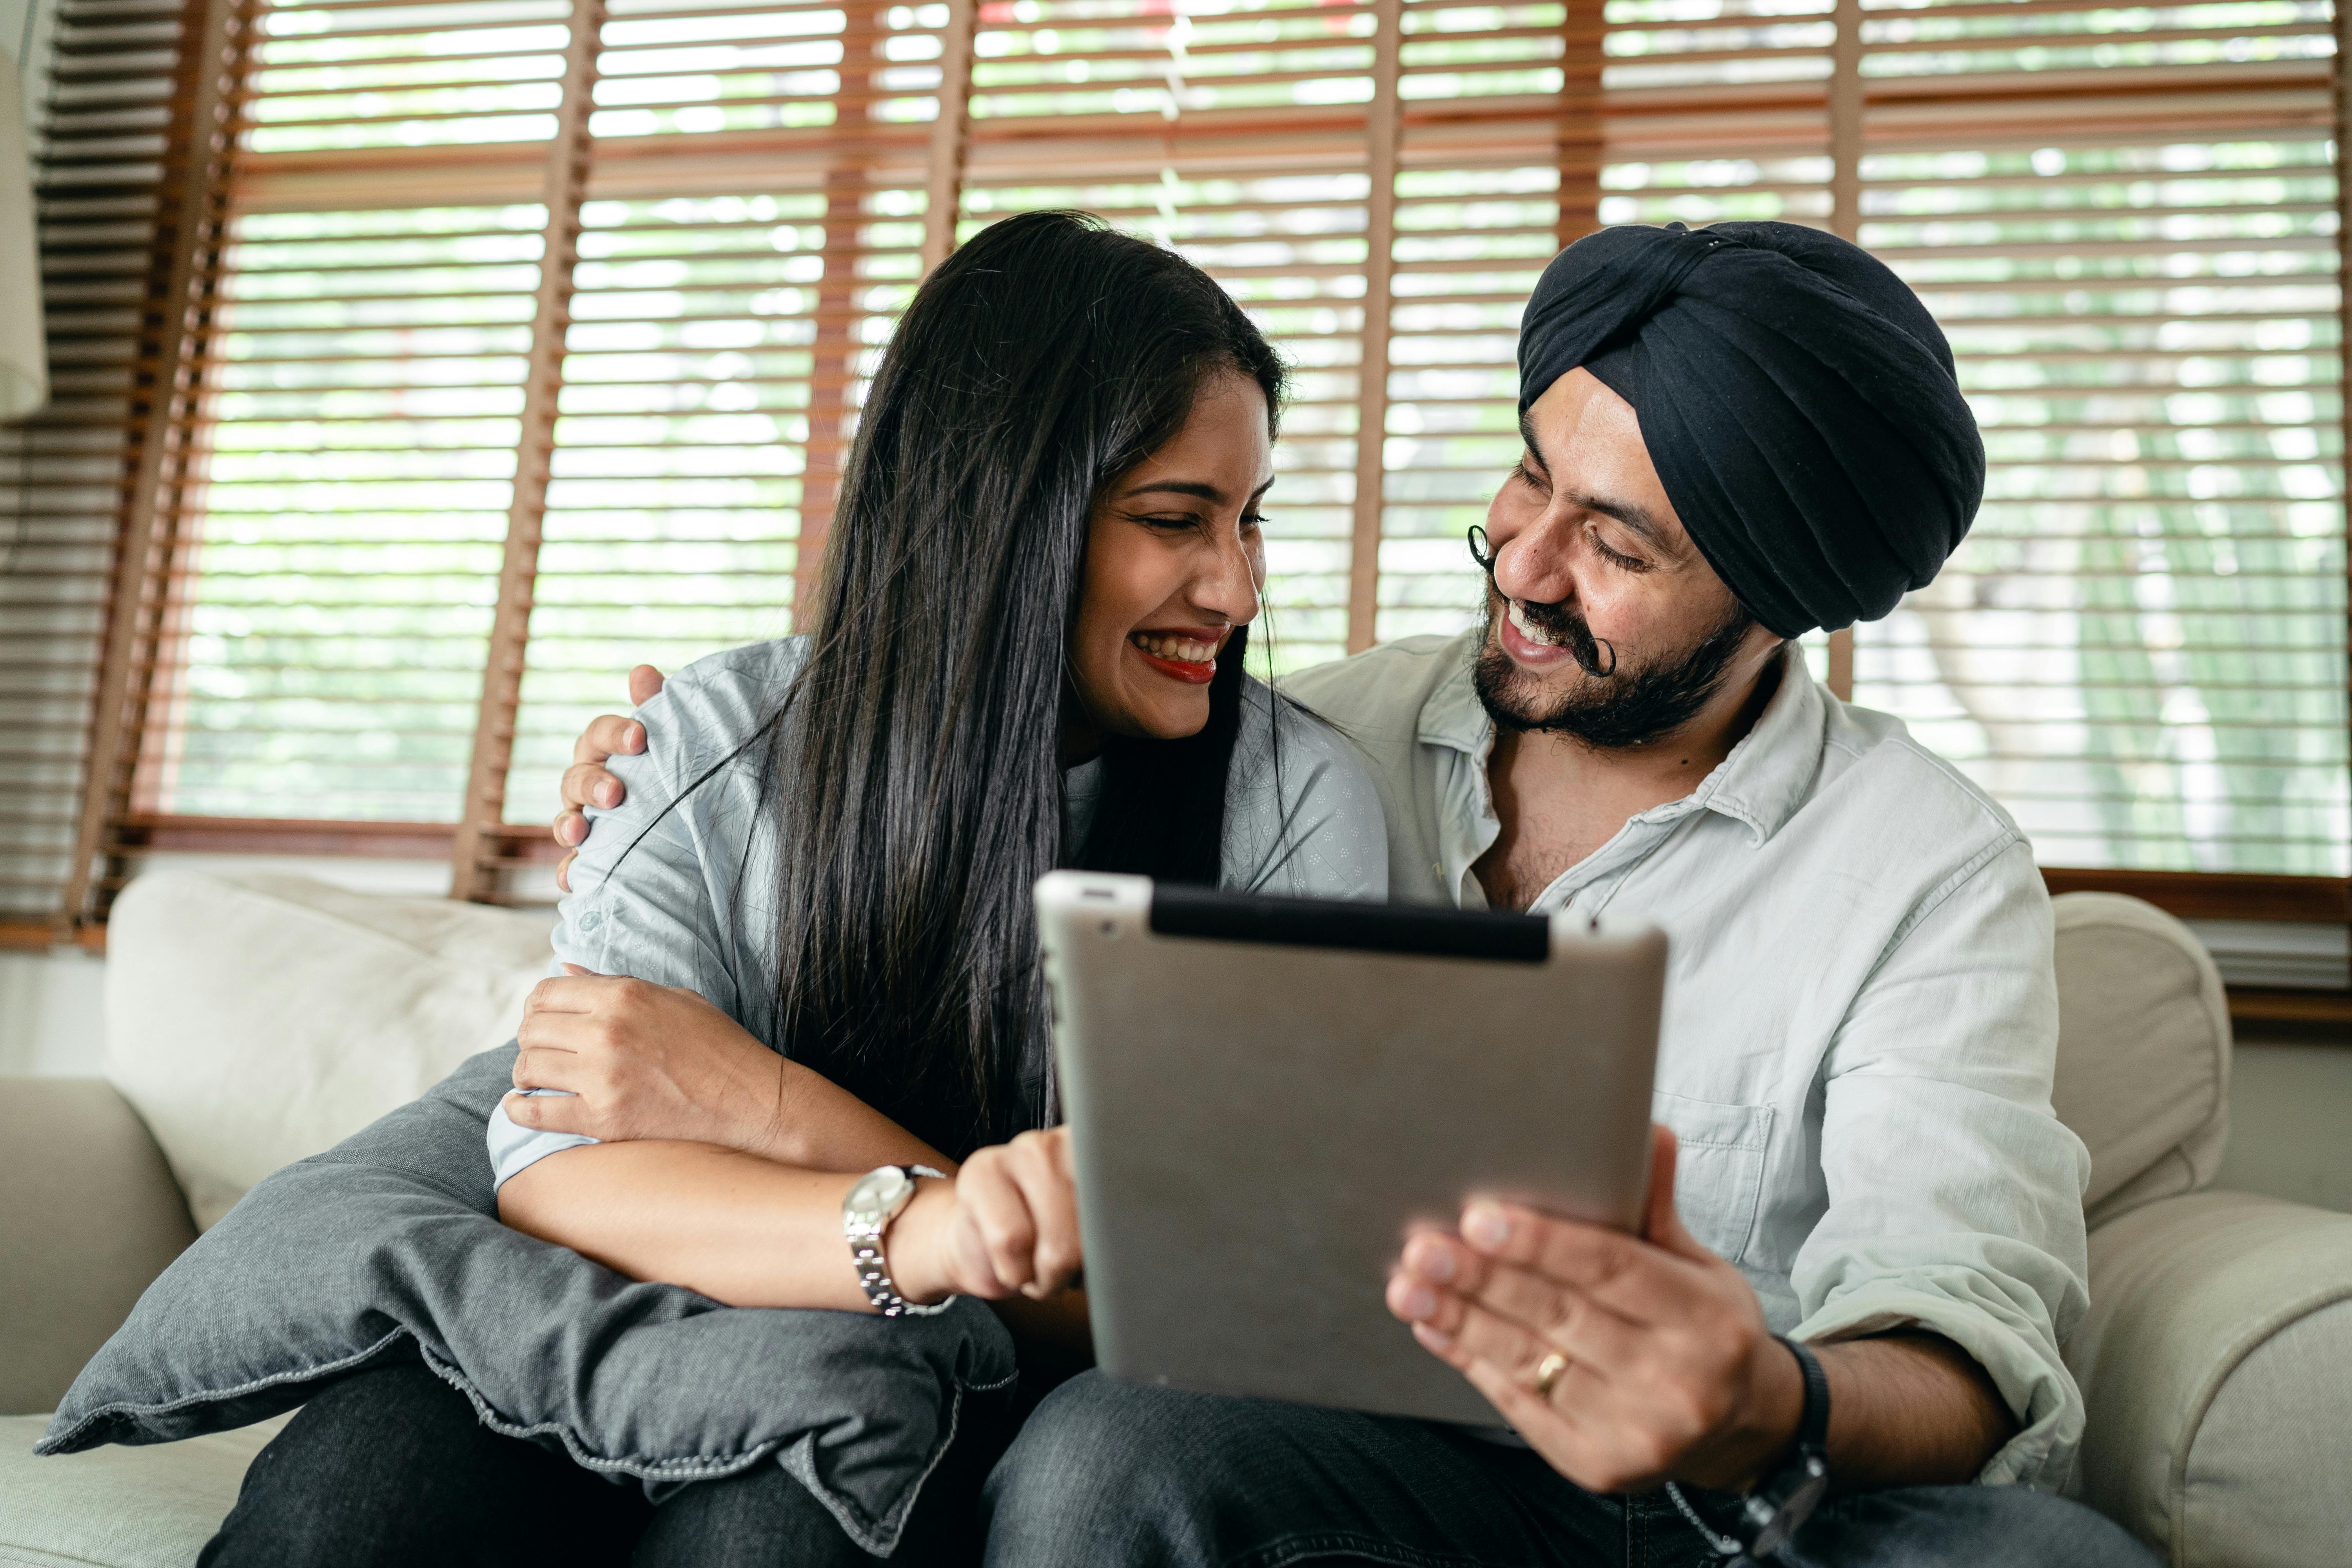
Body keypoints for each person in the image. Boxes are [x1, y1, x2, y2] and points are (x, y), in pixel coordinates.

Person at [558, 222, 2161, 1565]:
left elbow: (1963, 1344)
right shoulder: (1319, 752)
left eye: (1616, 543)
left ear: (1778, 603)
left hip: (1723, 1490)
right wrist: (686, 769)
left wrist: (1755, 1390)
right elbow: (1021, 731)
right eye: (1531, 481)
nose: (1525, 565)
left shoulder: (1926, 870)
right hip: (1376, 1452)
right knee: (1113, 1452)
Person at [198, 209, 1386, 1568]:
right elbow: (568, 1185)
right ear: (1004, 507)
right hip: (629, 1328)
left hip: (958, 1391)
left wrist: (761, 1106)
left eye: (1249, 522)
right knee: (351, 1500)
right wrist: (941, 1217)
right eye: (1179, 520)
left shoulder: (1289, 810)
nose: (1235, 585)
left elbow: (1212, 1305)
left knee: (773, 1532)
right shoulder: (710, 746)